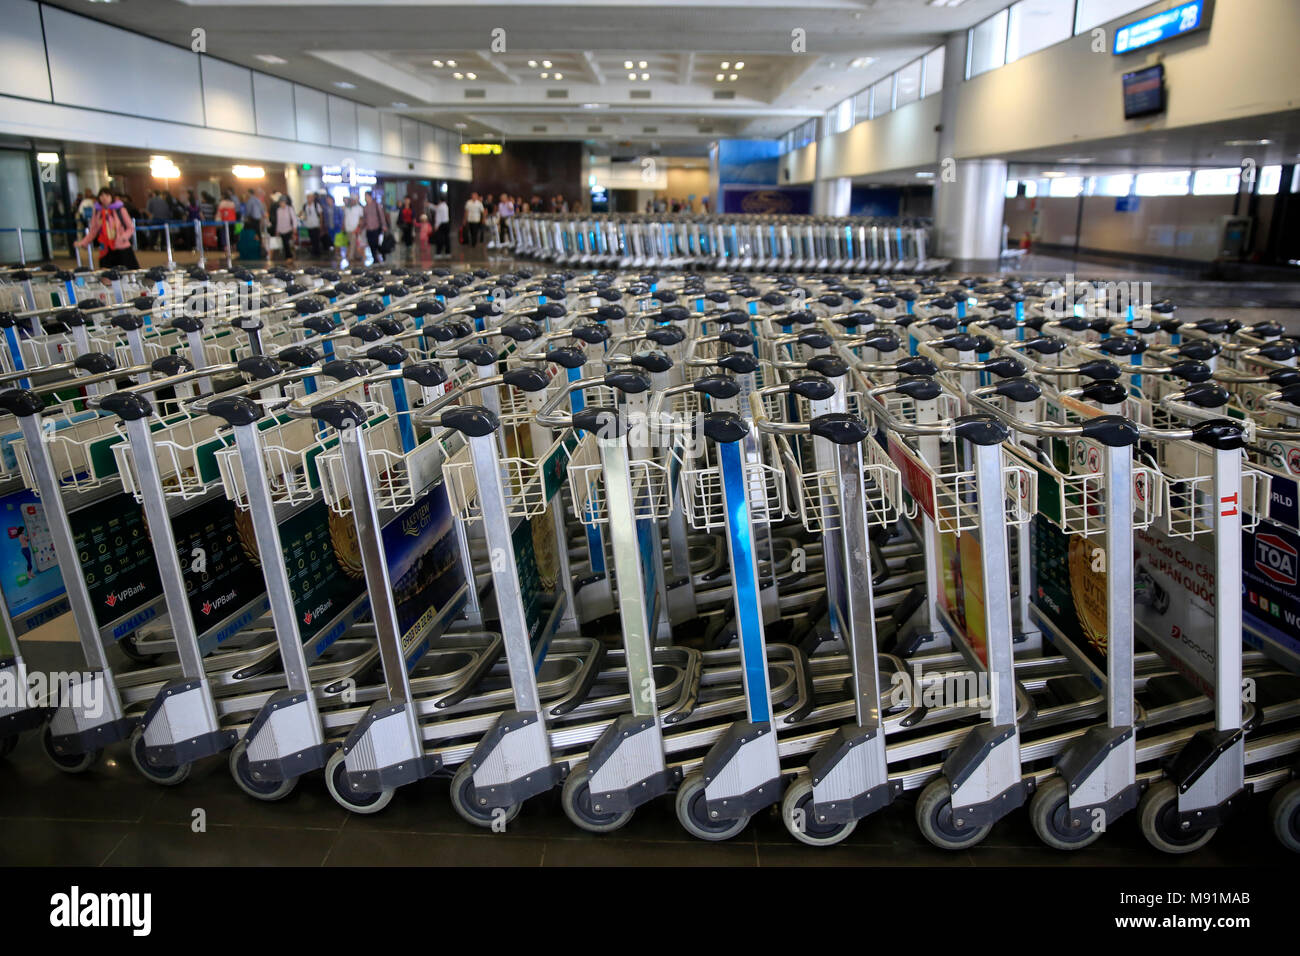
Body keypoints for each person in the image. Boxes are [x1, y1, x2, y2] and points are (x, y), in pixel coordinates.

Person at [75, 187, 139, 269]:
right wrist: (83, 242)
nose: (104, 198)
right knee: (106, 276)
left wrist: (123, 237)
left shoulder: (120, 210)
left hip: (121, 247)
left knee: (127, 273)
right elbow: (93, 231)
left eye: (107, 195)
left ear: (111, 197)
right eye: (101, 196)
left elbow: (130, 227)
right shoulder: (97, 212)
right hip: (105, 248)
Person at [361, 190, 390, 262]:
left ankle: (382, 256)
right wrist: (362, 227)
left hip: (376, 228)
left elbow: (381, 216)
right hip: (368, 229)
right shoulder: (365, 207)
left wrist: (384, 226)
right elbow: (364, 218)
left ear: (370, 196)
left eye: (366, 196)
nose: (365, 198)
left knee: (377, 244)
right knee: (371, 244)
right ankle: (375, 259)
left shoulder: (377, 205)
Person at [302, 192, 324, 257]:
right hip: (309, 225)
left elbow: (320, 214)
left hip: (315, 224)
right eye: (308, 197)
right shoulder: (305, 205)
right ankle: (313, 251)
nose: (310, 199)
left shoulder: (316, 205)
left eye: (311, 198)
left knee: (316, 239)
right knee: (311, 238)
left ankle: (317, 252)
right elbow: (304, 213)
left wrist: (321, 223)